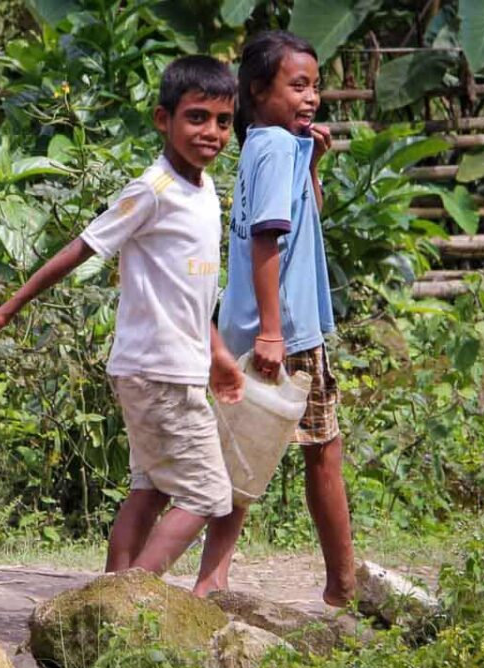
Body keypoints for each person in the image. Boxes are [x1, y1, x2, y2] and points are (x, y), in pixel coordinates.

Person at [0, 55, 245, 577]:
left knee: (151, 487)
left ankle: (109, 598)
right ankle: (136, 597)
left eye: (223, 121)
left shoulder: (203, 191)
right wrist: (8, 308)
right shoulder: (153, 190)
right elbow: (82, 247)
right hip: (159, 371)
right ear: (163, 120)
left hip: (170, 366)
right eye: (197, 117)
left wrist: (218, 354)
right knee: (207, 494)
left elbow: (190, 293)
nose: (212, 132)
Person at [194, 30, 356, 606]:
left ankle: (213, 576)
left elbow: (294, 220)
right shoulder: (274, 149)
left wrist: (313, 162)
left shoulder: (270, 146)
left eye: (315, 86)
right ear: (260, 90)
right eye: (298, 85)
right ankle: (343, 586)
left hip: (265, 325)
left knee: (244, 453)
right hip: (285, 331)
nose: (311, 97)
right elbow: (267, 241)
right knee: (323, 451)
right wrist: (272, 330)